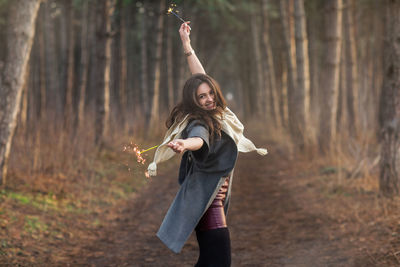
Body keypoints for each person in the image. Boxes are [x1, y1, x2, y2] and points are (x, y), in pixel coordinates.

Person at [147, 22, 267, 266]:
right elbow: (198, 139)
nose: (209, 98)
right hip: (207, 202)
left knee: (211, 260)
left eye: (210, 93)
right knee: (219, 260)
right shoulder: (199, 122)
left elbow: (200, 77)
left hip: (214, 200)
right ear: (195, 101)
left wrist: (187, 45)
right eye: (202, 96)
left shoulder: (219, 115)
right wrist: (185, 144)